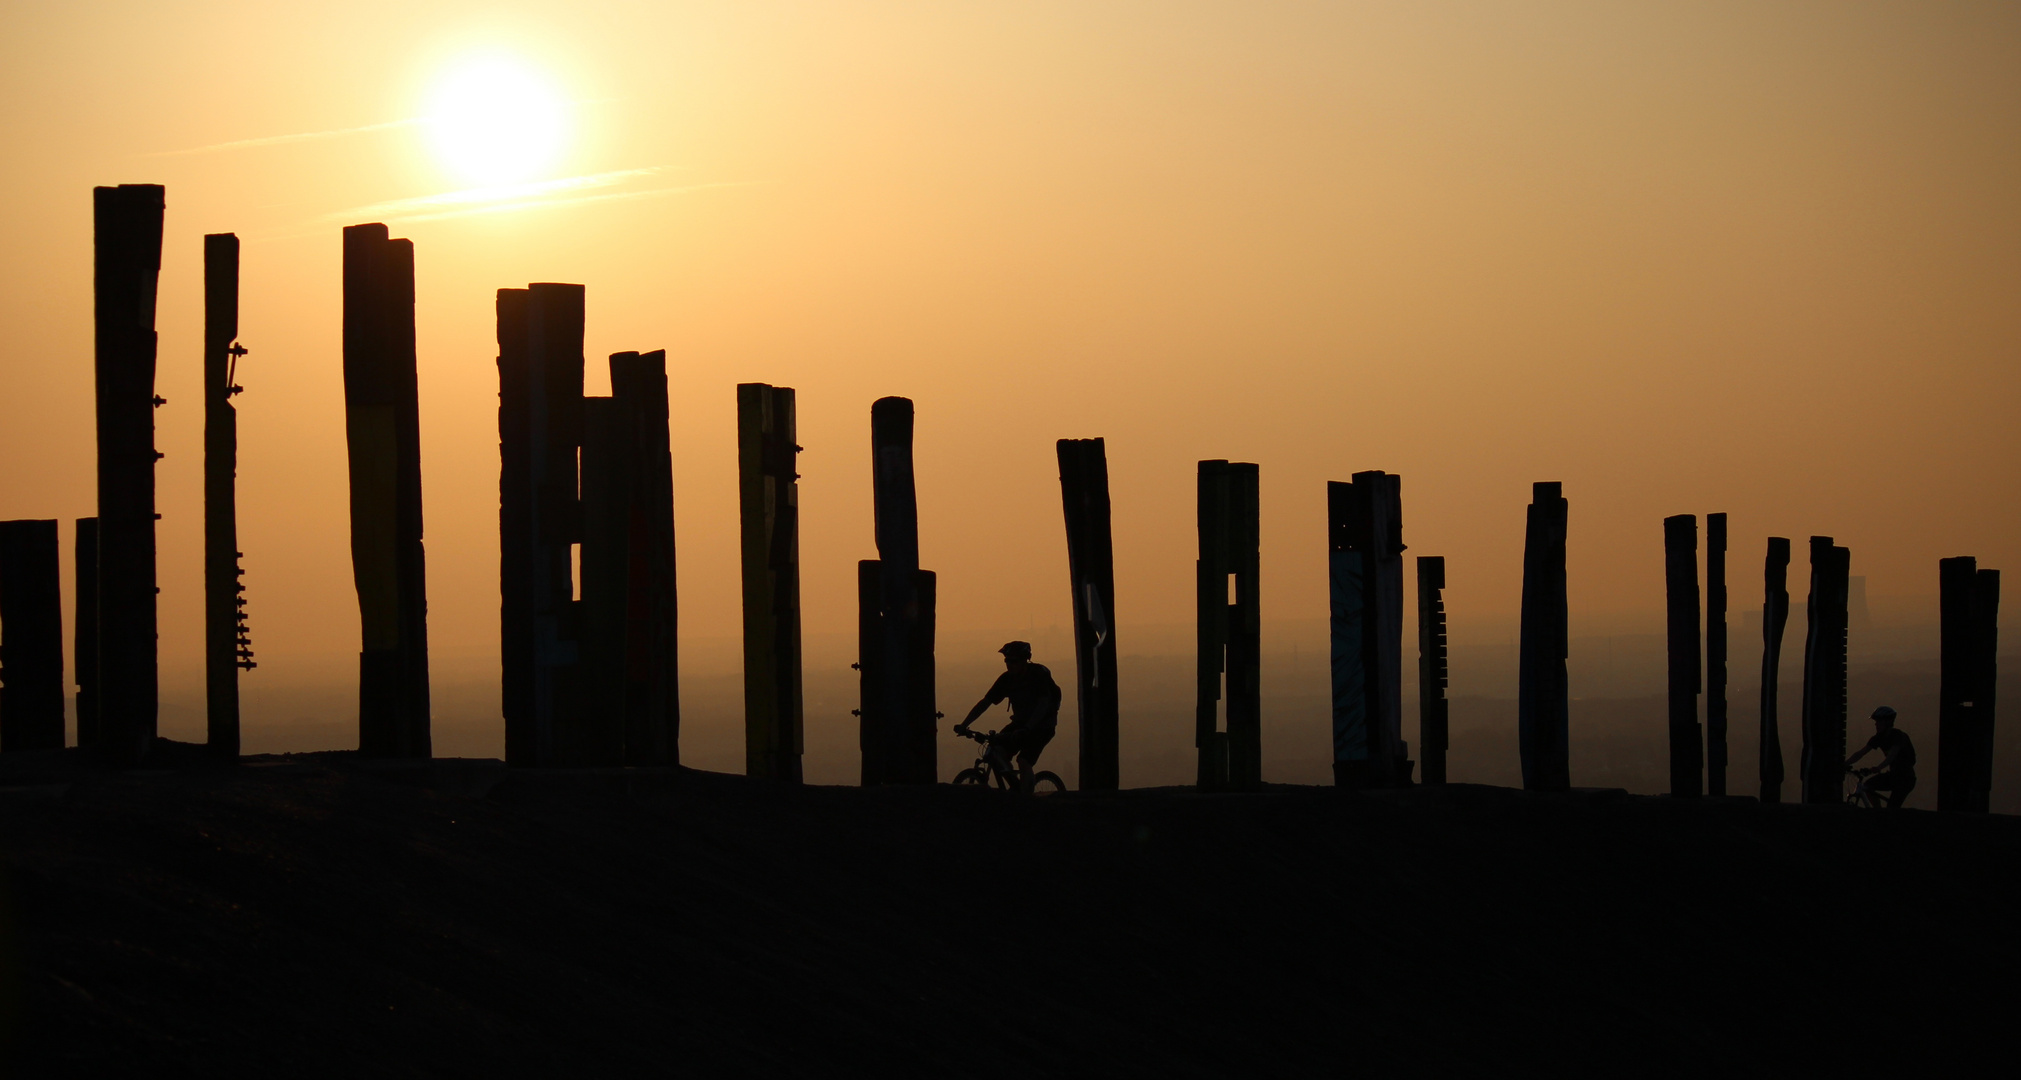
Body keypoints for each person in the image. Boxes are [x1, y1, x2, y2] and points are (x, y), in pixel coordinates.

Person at [954, 641, 1062, 789]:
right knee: (996, 750)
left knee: (1024, 760)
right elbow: (985, 702)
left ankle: (1026, 800)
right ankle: (1015, 786)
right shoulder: (1007, 679)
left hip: (1042, 725)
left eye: (1013, 661)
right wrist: (964, 725)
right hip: (1020, 723)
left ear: (1025, 660)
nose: (1009, 664)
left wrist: (1028, 728)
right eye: (1006, 660)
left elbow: (1043, 705)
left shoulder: (1037, 676)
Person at [1845, 706, 1917, 809]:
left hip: (1905, 778)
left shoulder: (1898, 736)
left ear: (1888, 722)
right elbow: (1861, 753)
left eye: (1879, 721)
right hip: (1893, 775)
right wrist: (1845, 764)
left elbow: (1892, 755)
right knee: (1867, 786)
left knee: (1892, 807)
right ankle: (1878, 812)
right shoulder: (1878, 738)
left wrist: (1879, 767)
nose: (1876, 724)